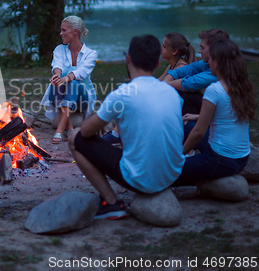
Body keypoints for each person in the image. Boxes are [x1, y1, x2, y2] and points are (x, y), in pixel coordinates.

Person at [68, 35, 185, 219]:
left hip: (140, 179)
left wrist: (93, 122)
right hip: (173, 174)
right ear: (156, 64)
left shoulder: (123, 94)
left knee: (74, 137)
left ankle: (111, 202)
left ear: (128, 58)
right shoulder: (171, 92)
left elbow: (85, 132)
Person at [173, 39, 256, 185]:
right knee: (186, 123)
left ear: (216, 62)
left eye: (210, 59)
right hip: (242, 159)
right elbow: (228, 117)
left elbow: (199, 132)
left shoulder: (214, 90)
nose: (208, 63)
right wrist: (197, 116)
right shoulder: (241, 85)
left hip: (221, 159)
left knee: (166, 170)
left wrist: (179, 155)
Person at [104, 32, 197, 144]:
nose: (160, 48)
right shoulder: (172, 66)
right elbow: (156, 82)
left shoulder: (181, 68)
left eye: (164, 46)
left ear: (174, 51)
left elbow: (159, 89)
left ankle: (116, 135)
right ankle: (117, 134)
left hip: (179, 115)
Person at [40, 16, 97, 144]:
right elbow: (57, 66)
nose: (61, 34)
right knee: (57, 80)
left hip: (81, 99)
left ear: (75, 31)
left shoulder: (91, 54)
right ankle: (69, 125)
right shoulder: (59, 49)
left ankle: (60, 128)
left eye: (64, 30)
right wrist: (57, 75)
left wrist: (66, 78)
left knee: (74, 81)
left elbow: (81, 73)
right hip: (60, 95)